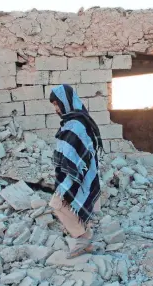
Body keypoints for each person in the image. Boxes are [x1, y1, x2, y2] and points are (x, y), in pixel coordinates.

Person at [48, 84, 103, 258]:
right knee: (66, 205)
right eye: (54, 105)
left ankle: (83, 238)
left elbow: (78, 153)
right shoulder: (73, 121)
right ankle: (84, 239)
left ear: (66, 101)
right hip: (74, 174)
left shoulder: (76, 124)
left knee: (58, 204)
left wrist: (68, 171)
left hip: (76, 175)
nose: (56, 108)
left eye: (57, 104)